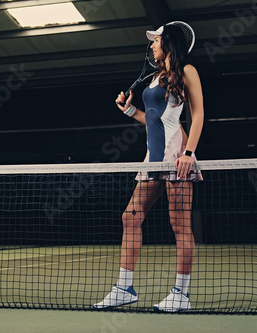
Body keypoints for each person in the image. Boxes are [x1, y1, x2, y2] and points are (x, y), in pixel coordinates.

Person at [93, 22, 204, 312]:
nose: (152, 46)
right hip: (152, 158)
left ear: (168, 42)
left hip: (176, 154)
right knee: (130, 217)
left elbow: (198, 114)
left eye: (155, 41)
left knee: (179, 223)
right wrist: (130, 110)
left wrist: (188, 153)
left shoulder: (187, 71)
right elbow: (153, 119)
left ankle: (181, 294)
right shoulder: (156, 77)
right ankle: (124, 288)